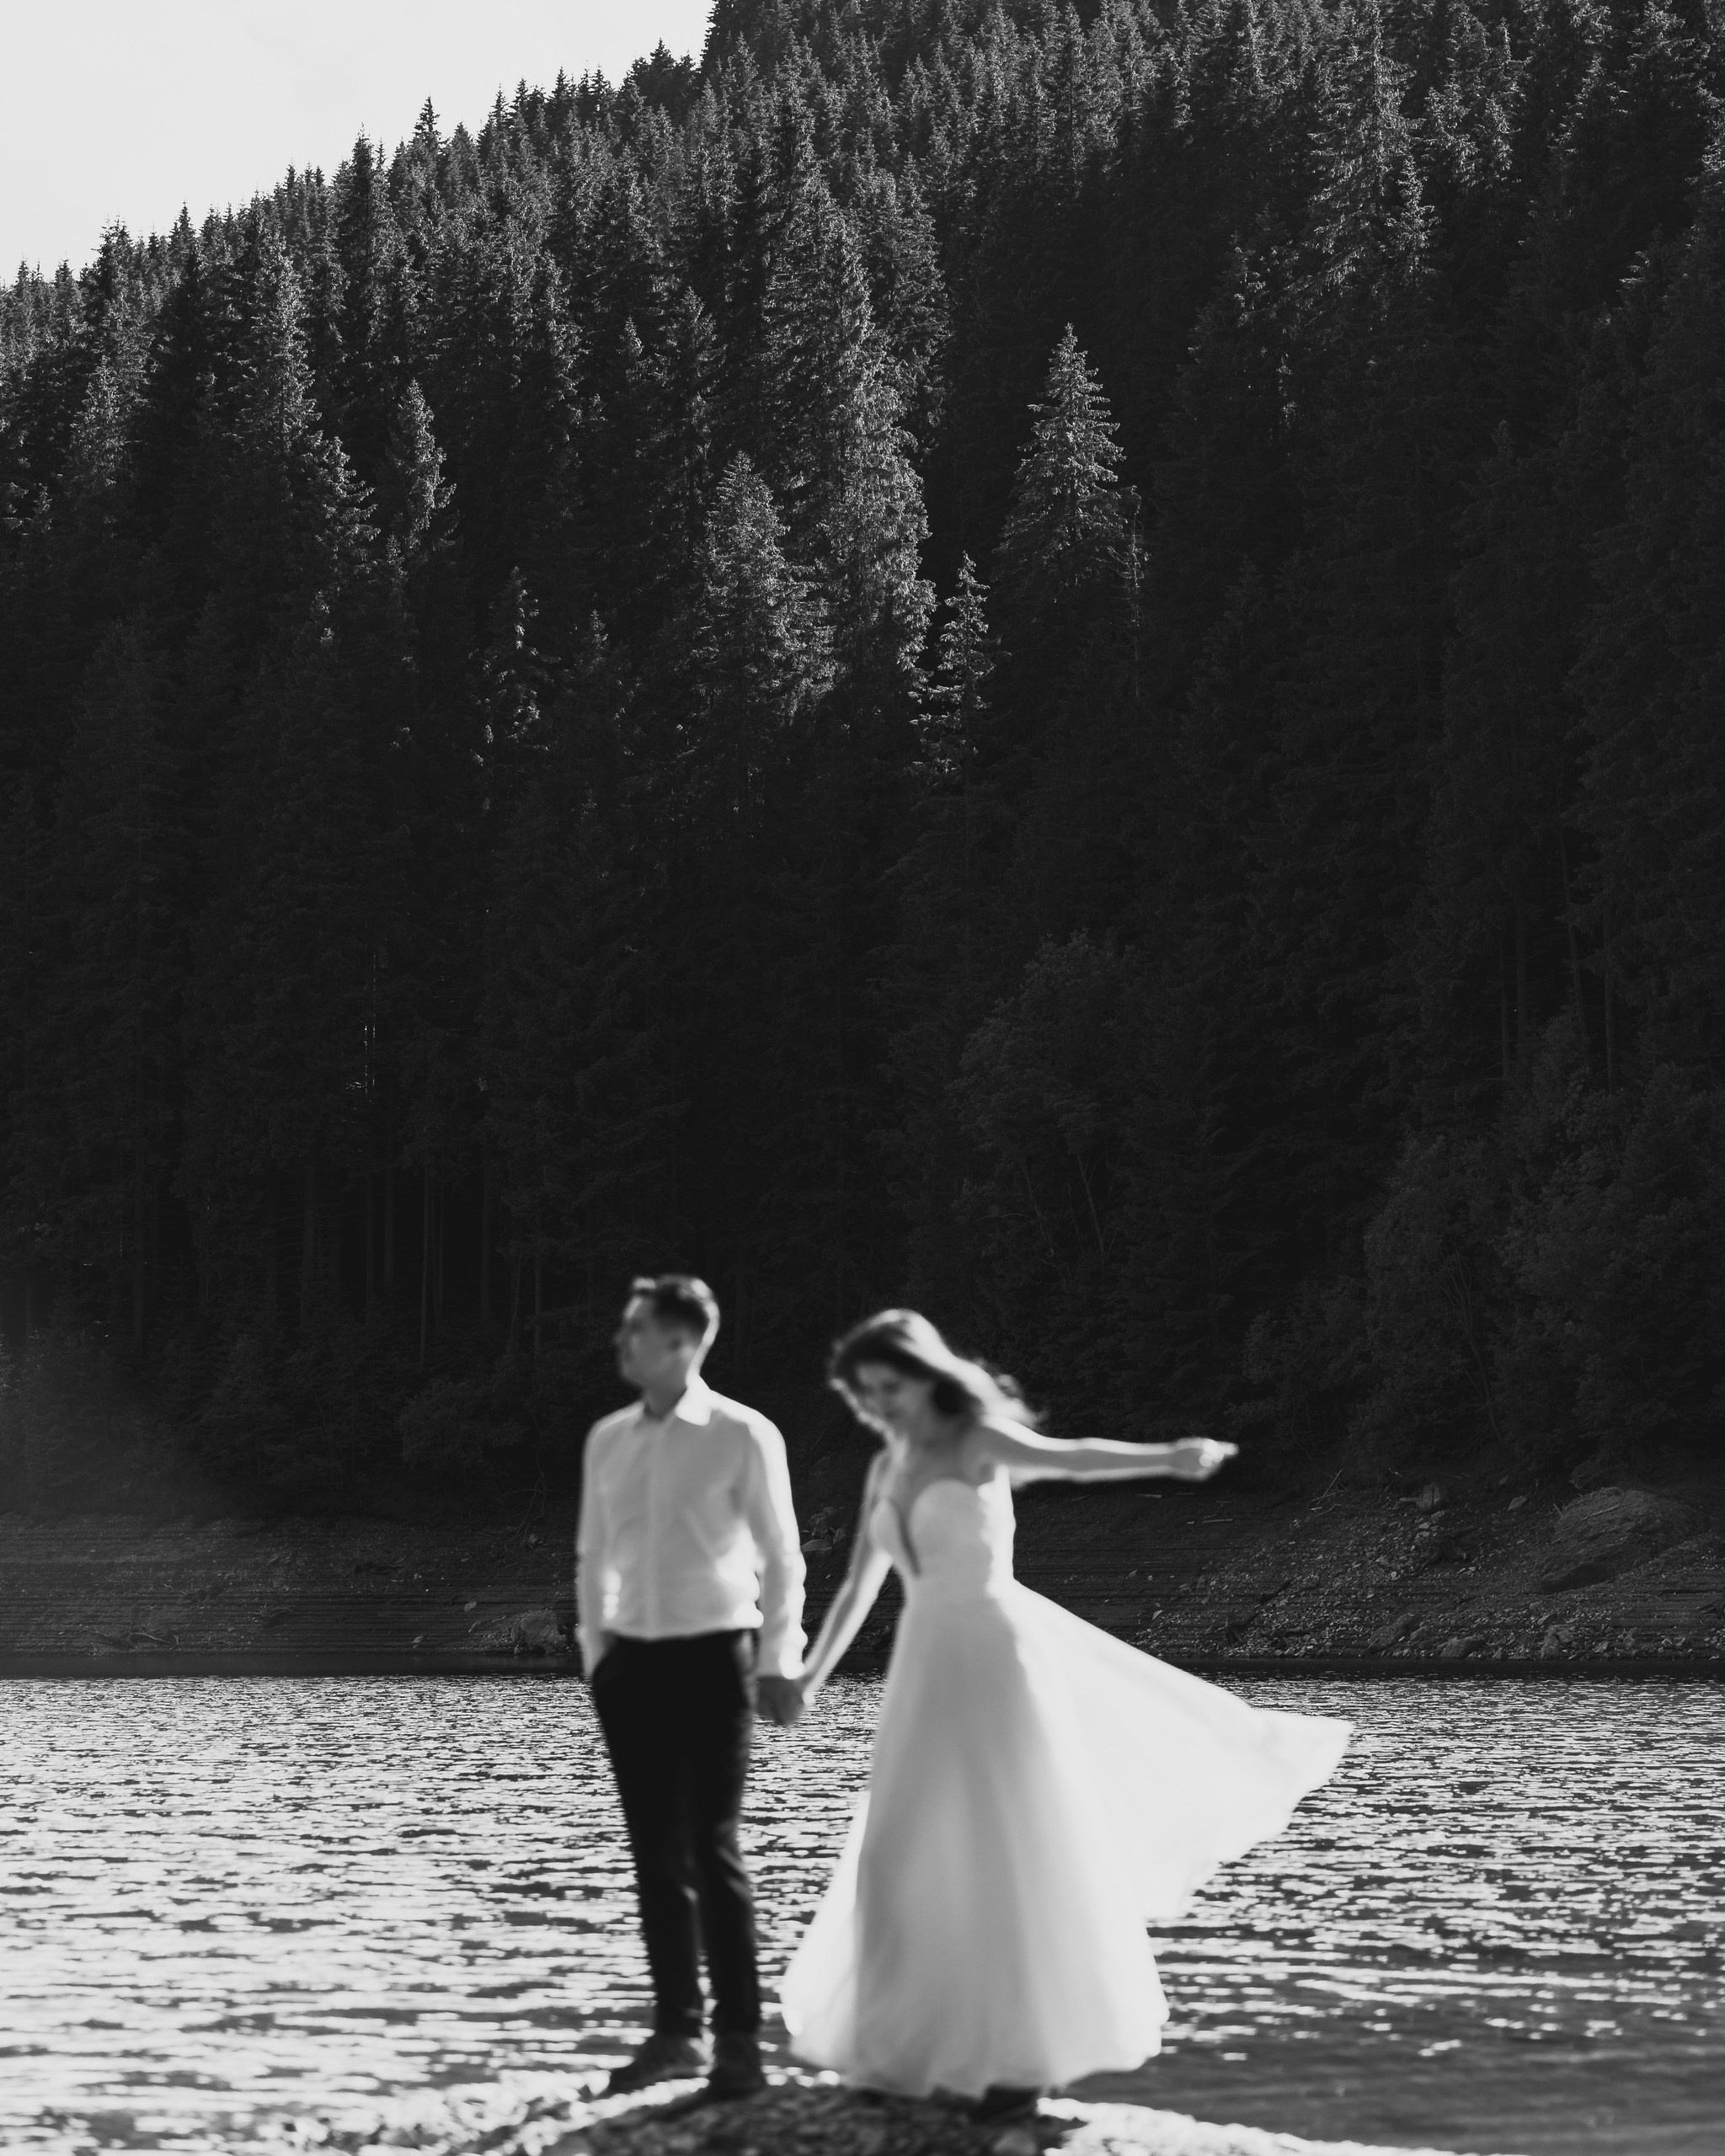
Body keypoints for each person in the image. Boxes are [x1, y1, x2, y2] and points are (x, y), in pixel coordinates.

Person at [780, 1309, 1350, 2115]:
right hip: (922, 1666)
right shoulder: (887, 1465)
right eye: (865, 1394)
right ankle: (898, 2050)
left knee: (1004, 1845)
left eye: (889, 1387)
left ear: (924, 1375)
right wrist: (809, 1678)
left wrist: (1169, 1457)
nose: (880, 1405)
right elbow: (858, 1588)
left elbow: (1072, 1458)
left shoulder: (977, 1440)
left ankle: (1019, 2063)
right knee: (899, 1848)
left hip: (994, 1656)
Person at [577, 1274, 805, 2100]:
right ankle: (677, 2033)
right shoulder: (607, 1437)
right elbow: (592, 1554)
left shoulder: (742, 1432)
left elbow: (781, 1554)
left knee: (711, 1844)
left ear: (682, 1342)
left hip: (716, 1654)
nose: (621, 1341)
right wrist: (597, 1656)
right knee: (653, 1851)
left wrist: (779, 1659)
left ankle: (738, 2041)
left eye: (635, 1329)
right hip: (629, 1662)